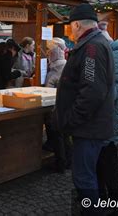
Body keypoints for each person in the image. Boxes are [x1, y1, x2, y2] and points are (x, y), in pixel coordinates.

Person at [51, 3, 114, 214]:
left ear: (77, 24)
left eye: (70, 27)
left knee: (84, 177)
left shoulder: (92, 48)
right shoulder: (93, 43)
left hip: (88, 127)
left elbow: (92, 90)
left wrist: (71, 119)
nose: (69, 31)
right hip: (91, 126)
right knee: (88, 175)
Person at [96, 23, 118, 213]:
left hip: (111, 117)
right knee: (101, 160)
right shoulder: (104, 51)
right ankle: (101, 198)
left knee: (108, 160)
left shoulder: (115, 52)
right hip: (104, 117)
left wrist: (97, 95)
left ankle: (114, 199)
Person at [43, 37, 72, 173]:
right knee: (65, 135)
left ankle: (61, 163)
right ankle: (69, 161)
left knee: (57, 136)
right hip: (68, 106)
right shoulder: (68, 66)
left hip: (56, 108)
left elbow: (48, 92)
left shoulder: (54, 70)